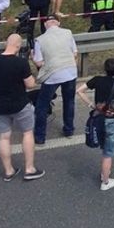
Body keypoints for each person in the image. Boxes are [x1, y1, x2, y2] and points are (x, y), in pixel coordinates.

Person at [0, 33, 44, 181]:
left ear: (6, 43)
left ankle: (8, 171)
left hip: (0, 105)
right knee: (27, 133)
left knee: (4, 137)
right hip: (20, 104)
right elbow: (30, 84)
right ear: (18, 46)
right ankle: (29, 169)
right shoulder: (20, 63)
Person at [77, 58, 114, 190]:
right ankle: (105, 181)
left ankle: (105, 171)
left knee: (103, 146)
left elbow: (80, 90)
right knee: (108, 153)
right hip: (111, 120)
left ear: (105, 69)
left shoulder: (97, 80)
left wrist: (90, 104)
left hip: (98, 118)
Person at [31, 15, 78, 144]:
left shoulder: (40, 40)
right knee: (69, 101)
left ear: (45, 24)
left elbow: (39, 63)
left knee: (42, 104)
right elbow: (74, 53)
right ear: (58, 23)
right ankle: (69, 130)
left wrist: (33, 57)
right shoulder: (68, 33)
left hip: (52, 74)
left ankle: (40, 137)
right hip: (70, 71)